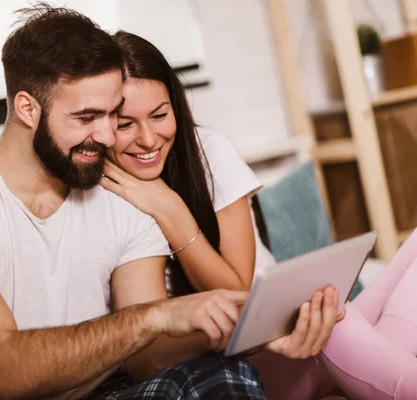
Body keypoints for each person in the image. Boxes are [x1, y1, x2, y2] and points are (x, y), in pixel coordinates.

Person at [0, 5, 276, 400]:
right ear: (28, 108)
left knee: (225, 376)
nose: (109, 136)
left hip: (101, 394)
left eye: (114, 115)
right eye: (87, 117)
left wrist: (239, 331)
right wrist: (156, 317)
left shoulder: (120, 191)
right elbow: (5, 372)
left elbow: (145, 362)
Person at [101, 30, 417, 400]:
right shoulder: (116, 195)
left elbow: (240, 287)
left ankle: (363, 376)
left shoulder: (208, 153)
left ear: (176, 107)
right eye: (125, 125)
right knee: (331, 322)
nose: (149, 139)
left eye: (160, 115)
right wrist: (167, 211)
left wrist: (171, 209)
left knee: (334, 317)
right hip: (244, 364)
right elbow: (223, 305)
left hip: (291, 341)